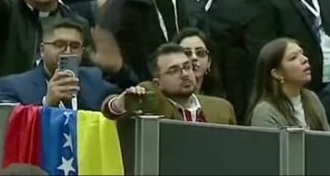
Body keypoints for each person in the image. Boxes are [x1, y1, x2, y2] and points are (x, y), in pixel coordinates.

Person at [0, 19, 121, 110]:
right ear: (42, 50)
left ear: (82, 52)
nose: (67, 51)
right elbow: (9, 128)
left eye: (75, 46)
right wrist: (47, 104)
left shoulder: (94, 78)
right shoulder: (13, 86)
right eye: (59, 44)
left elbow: (117, 101)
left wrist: (124, 98)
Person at [102, 43, 237, 124]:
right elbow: (110, 111)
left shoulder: (222, 108)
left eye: (187, 67)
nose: (184, 74)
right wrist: (120, 102)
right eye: (174, 71)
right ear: (158, 83)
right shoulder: (151, 99)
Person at [247, 37, 330, 130]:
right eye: (293, 57)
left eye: (302, 54)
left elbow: (328, 140)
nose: (305, 59)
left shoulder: (311, 98)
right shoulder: (265, 111)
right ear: (277, 74)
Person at [174, 27, 225, 98]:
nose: (194, 57)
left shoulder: (221, 104)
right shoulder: (163, 102)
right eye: (186, 53)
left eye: (200, 53)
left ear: (209, 62)